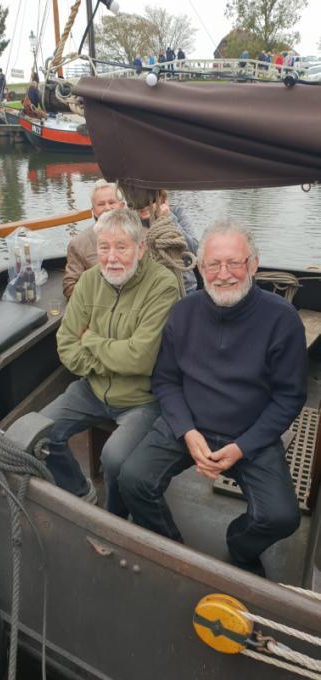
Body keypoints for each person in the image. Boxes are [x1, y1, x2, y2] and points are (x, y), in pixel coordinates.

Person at [118, 220, 307, 577]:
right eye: (214, 265)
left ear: (253, 264)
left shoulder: (282, 319)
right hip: (190, 424)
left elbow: (289, 397)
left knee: (282, 517)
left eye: (235, 262)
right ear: (200, 268)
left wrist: (242, 447)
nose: (224, 274)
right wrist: (187, 432)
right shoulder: (183, 313)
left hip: (250, 434)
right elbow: (166, 380)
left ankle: (239, 545)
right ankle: (172, 547)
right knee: (133, 478)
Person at [42, 208, 180, 511]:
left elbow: (140, 359)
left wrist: (90, 340)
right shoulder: (90, 281)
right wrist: (105, 361)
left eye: (121, 247)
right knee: (38, 434)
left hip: (141, 398)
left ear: (140, 248)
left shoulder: (162, 286)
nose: (111, 257)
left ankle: (115, 517)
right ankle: (78, 490)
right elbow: (65, 345)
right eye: (104, 247)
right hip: (91, 388)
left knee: (115, 459)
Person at [63, 179, 125, 299]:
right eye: (101, 204)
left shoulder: (139, 236)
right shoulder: (79, 244)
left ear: (121, 206)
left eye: (112, 202)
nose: (107, 208)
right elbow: (69, 287)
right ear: (93, 211)